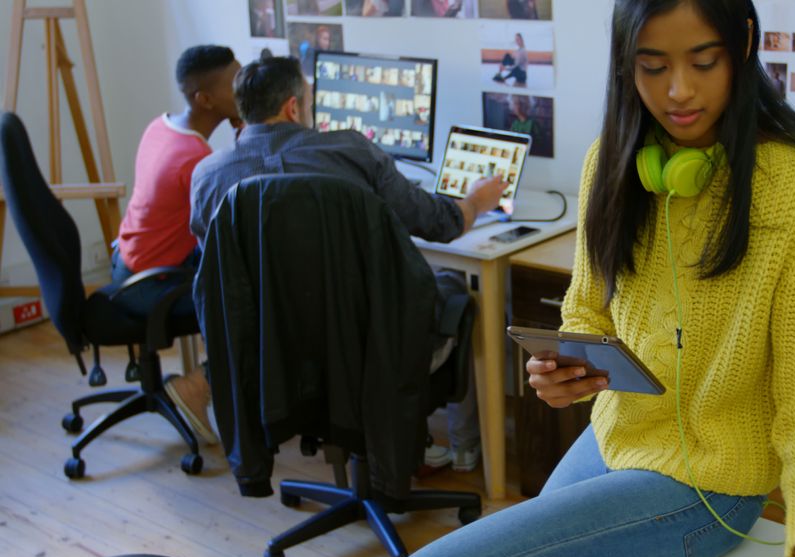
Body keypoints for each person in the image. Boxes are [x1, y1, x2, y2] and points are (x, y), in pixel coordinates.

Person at [398, 0, 795, 557]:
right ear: (626, 66)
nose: (679, 91)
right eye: (653, 66)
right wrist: (568, 368)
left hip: (709, 487)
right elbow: (588, 310)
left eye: (703, 61)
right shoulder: (611, 164)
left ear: (741, 47)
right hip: (615, 437)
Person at [189, 56, 507, 471]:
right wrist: (476, 202)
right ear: (292, 107)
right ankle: (465, 451)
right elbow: (439, 223)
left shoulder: (208, 176)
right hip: (366, 348)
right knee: (456, 290)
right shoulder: (352, 151)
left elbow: (222, 278)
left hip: (272, 356)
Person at [108, 45, 242, 446]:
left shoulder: (162, 126)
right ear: (205, 99)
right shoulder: (195, 160)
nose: (245, 87)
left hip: (126, 263)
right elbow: (229, 239)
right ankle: (198, 386)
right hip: (153, 284)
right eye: (236, 83)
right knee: (256, 301)